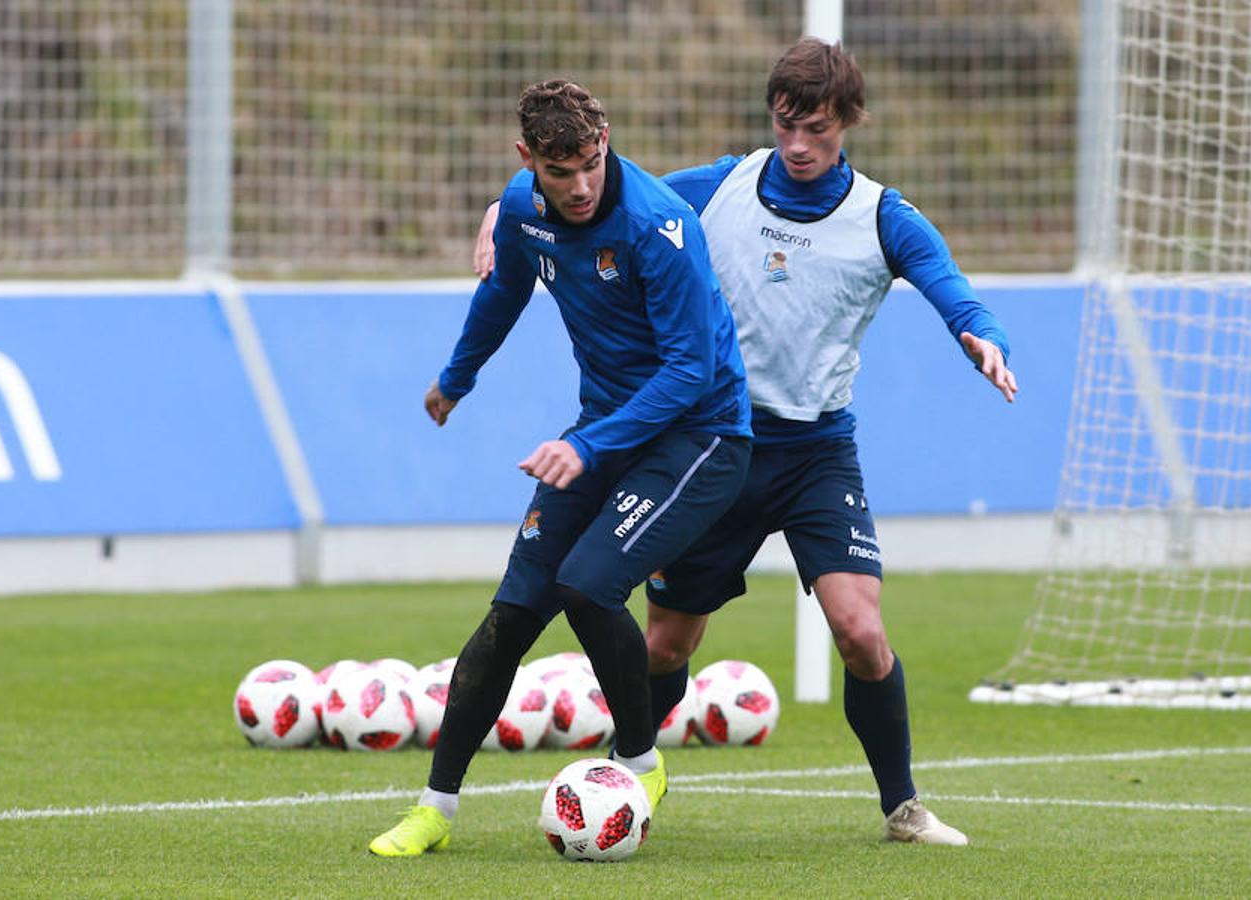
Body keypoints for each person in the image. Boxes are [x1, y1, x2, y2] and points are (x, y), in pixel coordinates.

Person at [473, 39, 1018, 845]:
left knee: (861, 632)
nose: (800, 147)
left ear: (849, 125)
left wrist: (981, 334)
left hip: (815, 454)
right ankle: (622, 781)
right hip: (712, 447)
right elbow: (604, 190)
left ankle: (902, 806)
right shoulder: (720, 187)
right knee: (665, 644)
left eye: (820, 131)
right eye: (788, 126)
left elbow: (951, 287)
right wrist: (501, 209)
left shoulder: (882, 216)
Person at [368, 78, 753, 858]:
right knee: (513, 612)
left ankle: (641, 765)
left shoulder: (659, 228)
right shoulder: (520, 207)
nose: (578, 186)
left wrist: (585, 445)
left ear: (606, 140)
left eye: (589, 163)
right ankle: (434, 809)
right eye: (558, 170)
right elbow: (504, 291)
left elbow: (690, 372)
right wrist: (457, 378)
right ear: (527, 159)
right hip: (604, 432)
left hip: (699, 437)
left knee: (586, 584)